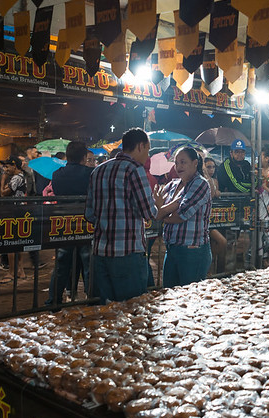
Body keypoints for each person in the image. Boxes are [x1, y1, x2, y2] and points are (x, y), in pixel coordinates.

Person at [86, 128, 157, 302]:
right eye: (147, 150)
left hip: (100, 252)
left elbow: (90, 213)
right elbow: (148, 212)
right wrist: (158, 204)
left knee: (105, 316)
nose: (147, 156)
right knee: (130, 313)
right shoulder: (134, 170)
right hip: (128, 254)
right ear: (140, 146)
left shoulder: (98, 171)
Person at [154, 147, 213, 288]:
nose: (178, 166)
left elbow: (180, 215)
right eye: (176, 163)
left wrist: (161, 213)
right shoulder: (172, 185)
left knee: (189, 300)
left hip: (192, 250)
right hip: (172, 248)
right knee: (169, 296)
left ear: (194, 163)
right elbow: (154, 209)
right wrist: (164, 210)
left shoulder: (200, 184)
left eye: (183, 162)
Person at [46, 141, 93, 307]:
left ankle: (54, 301)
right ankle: (92, 301)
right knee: (89, 266)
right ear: (83, 157)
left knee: (61, 266)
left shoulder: (57, 174)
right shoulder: (90, 173)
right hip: (86, 225)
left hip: (63, 225)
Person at [0, 155, 28, 282]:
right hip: (20, 211)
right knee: (18, 242)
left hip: (14, 212)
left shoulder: (16, 177)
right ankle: (20, 270)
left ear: (14, 165)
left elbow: (4, 193)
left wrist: (3, 180)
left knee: (11, 242)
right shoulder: (22, 176)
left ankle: (11, 272)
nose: (5, 169)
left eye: (7, 166)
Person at [203, 157, 227, 273]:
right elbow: (211, 194)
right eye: (208, 167)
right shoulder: (202, 180)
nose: (211, 169)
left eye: (213, 167)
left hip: (216, 218)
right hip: (205, 220)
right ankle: (206, 265)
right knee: (221, 241)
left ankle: (207, 265)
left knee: (220, 243)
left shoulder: (215, 180)